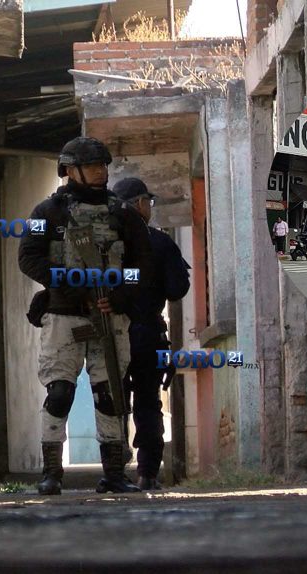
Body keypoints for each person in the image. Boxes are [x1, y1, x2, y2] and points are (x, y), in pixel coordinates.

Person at [19, 136, 154, 495]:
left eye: (103, 165)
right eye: (92, 165)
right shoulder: (44, 214)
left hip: (110, 317)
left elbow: (143, 266)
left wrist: (120, 296)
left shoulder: (124, 214)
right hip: (64, 315)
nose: (100, 171)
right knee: (60, 393)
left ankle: (114, 474)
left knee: (110, 394)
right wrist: (68, 281)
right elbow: (28, 257)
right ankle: (51, 474)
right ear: (70, 170)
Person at [112, 178, 191, 490]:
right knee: (148, 402)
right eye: (149, 201)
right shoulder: (157, 241)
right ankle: (147, 473)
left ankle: (114, 472)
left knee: (111, 403)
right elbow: (177, 289)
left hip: (110, 334)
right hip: (147, 334)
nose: (150, 207)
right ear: (138, 204)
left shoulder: (103, 243)